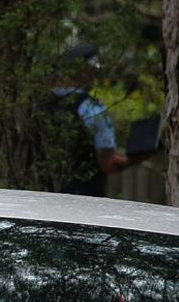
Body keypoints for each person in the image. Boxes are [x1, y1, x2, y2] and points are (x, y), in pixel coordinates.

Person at [48, 43, 130, 197]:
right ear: (83, 72)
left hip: (38, 198)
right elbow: (108, 163)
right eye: (92, 71)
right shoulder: (92, 109)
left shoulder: (37, 104)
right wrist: (136, 158)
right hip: (83, 201)